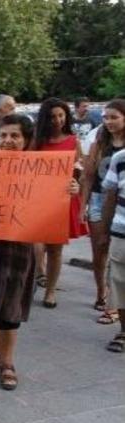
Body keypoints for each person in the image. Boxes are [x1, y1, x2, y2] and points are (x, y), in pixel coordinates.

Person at [0, 114, 58, 389]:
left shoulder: (40, 168)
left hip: (18, 246)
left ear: (26, 140)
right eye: (3, 135)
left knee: (11, 302)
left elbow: (52, 201)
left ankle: (7, 362)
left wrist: (69, 189)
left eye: (15, 136)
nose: (8, 140)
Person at [32, 97, 86, 308]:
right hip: (37, 201)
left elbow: (80, 172)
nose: (57, 120)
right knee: (35, 245)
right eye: (52, 116)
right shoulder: (36, 141)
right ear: (45, 118)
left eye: (61, 115)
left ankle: (51, 291)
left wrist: (77, 186)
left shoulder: (74, 142)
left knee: (55, 249)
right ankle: (37, 277)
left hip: (61, 201)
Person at [82, 100, 125, 324]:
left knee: (118, 256)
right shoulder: (100, 141)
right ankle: (102, 292)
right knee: (100, 250)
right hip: (99, 200)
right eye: (106, 117)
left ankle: (114, 307)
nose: (108, 121)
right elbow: (88, 175)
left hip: (121, 203)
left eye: (114, 117)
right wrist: (83, 205)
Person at [102, 144, 125, 353]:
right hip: (121, 232)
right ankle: (123, 331)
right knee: (120, 282)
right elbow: (110, 195)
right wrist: (104, 231)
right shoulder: (119, 158)